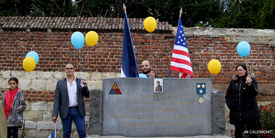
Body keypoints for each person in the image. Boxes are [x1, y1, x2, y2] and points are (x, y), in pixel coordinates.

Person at [52, 63, 90, 138]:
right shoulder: (60, 83)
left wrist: (85, 87)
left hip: (78, 110)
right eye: (67, 68)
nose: (69, 70)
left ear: (74, 70)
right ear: (65, 70)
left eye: (71, 68)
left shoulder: (80, 81)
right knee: (66, 133)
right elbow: (57, 100)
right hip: (66, 111)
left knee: (82, 132)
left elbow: (87, 95)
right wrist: (54, 114)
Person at [225, 64, 260, 138]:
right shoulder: (233, 82)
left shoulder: (251, 80)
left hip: (250, 113)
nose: (239, 72)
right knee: (238, 133)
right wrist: (230, 104)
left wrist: (250, 84)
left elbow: (254, 93)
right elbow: (228, 95)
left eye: (240, 70)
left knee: (253, 134)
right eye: (237, 70)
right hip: (238, 114)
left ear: (245, 70)